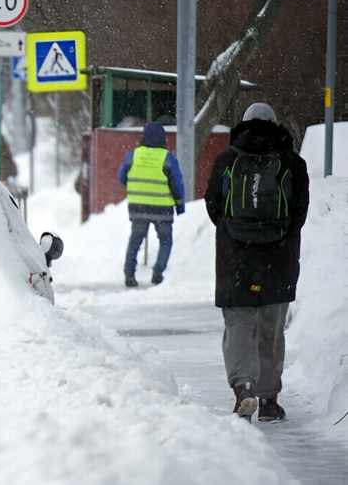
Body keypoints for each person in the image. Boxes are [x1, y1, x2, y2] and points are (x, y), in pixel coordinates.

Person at [204, 103, 309, 422]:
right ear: (275, 124)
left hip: (236, 258)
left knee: (238, 326)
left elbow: (214, 205)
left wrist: (236, 231)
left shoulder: (227, 159)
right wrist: (278, 236)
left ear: (244, 124)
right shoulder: (292, 162)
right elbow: (299, 212)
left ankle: (244, 388)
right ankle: (269, 401)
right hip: (278, 259)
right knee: (271, 329)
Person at [118, 122, 185, 288]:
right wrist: (179, 205)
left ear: (143, 137)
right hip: (162, 209)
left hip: (138, 207)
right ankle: (158, 273)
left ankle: (129, 274)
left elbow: (121, 176)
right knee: (165, 241)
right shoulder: (167, 158)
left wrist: (134, 189)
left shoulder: (133, 155)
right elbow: (177, 184)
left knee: (135, 240)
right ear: (163, 138)